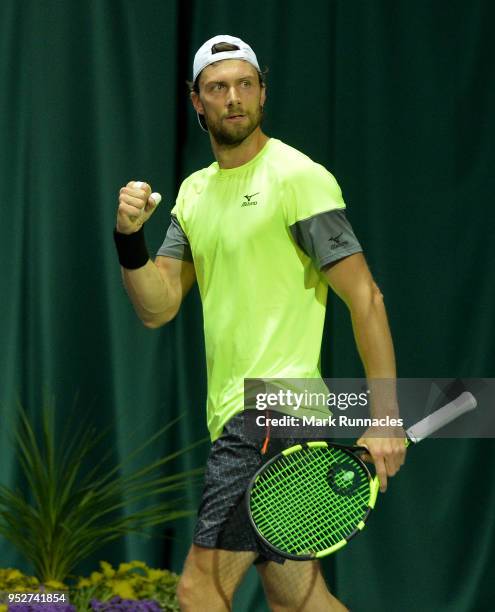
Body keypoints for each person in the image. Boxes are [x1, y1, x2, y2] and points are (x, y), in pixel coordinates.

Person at [114, 34, 406, 612]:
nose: (234, 98)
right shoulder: (194, 195)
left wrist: (385, 416)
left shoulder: (298, 177)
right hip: (240, 416)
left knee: (200, 590)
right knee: (300, 601)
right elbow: (159, 306)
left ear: (262, 93)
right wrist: (129, 239)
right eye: (218, 88)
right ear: (196, 101)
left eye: (246, 84)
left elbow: (366, 296)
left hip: (273, 411)